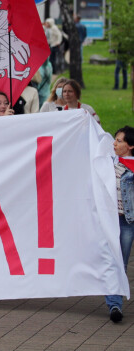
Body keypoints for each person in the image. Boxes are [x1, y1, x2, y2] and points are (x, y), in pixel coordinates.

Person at [105, 126, 134, 323]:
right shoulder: (108, 161)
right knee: (114, 262)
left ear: (130, 146)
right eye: (114, 140)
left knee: (120, 262)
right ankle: (115, 304)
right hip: (111, 219)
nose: (114, 143)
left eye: (119, 141)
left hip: (127, 221)